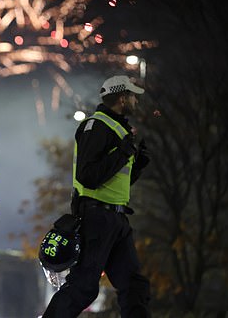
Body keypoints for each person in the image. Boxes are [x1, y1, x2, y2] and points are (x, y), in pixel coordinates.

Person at [43, 75, 151, 318]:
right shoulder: (98, 125)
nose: (135, 100)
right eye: (133, 96)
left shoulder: (117, 128)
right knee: (83, 288)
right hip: (97, 219)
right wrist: (123, 153)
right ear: (122, 98)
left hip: (116, 219)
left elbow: (113, 181)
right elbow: (88, 176)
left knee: (134, 286)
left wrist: (137, 165)